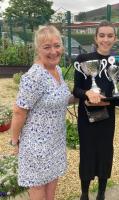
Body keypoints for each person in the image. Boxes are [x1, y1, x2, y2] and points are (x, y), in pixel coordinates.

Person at [10, 25, 73, 200]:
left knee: (52, 186)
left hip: (56, 141)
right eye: (47, 47)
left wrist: (87, 95)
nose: (54, 51)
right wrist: (14, 142)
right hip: (37, 146)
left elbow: (62, 98)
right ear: (38, 49)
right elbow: (18, 111)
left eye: (57, 45)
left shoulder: (57, 70)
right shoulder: (34, 76)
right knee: (38, 190)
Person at [73, 21, 119, 200]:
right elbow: (76, 90)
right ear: (95, 38)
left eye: (110, 36)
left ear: (115, 38)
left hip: (107, 117)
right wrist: (87, 93)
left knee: (105, 152)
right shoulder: (83, 60)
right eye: (102, 35)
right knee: (87, 152)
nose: (105, 39)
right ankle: (84, 193)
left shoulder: (118, 63)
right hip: (87, 117)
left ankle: (101, 193)